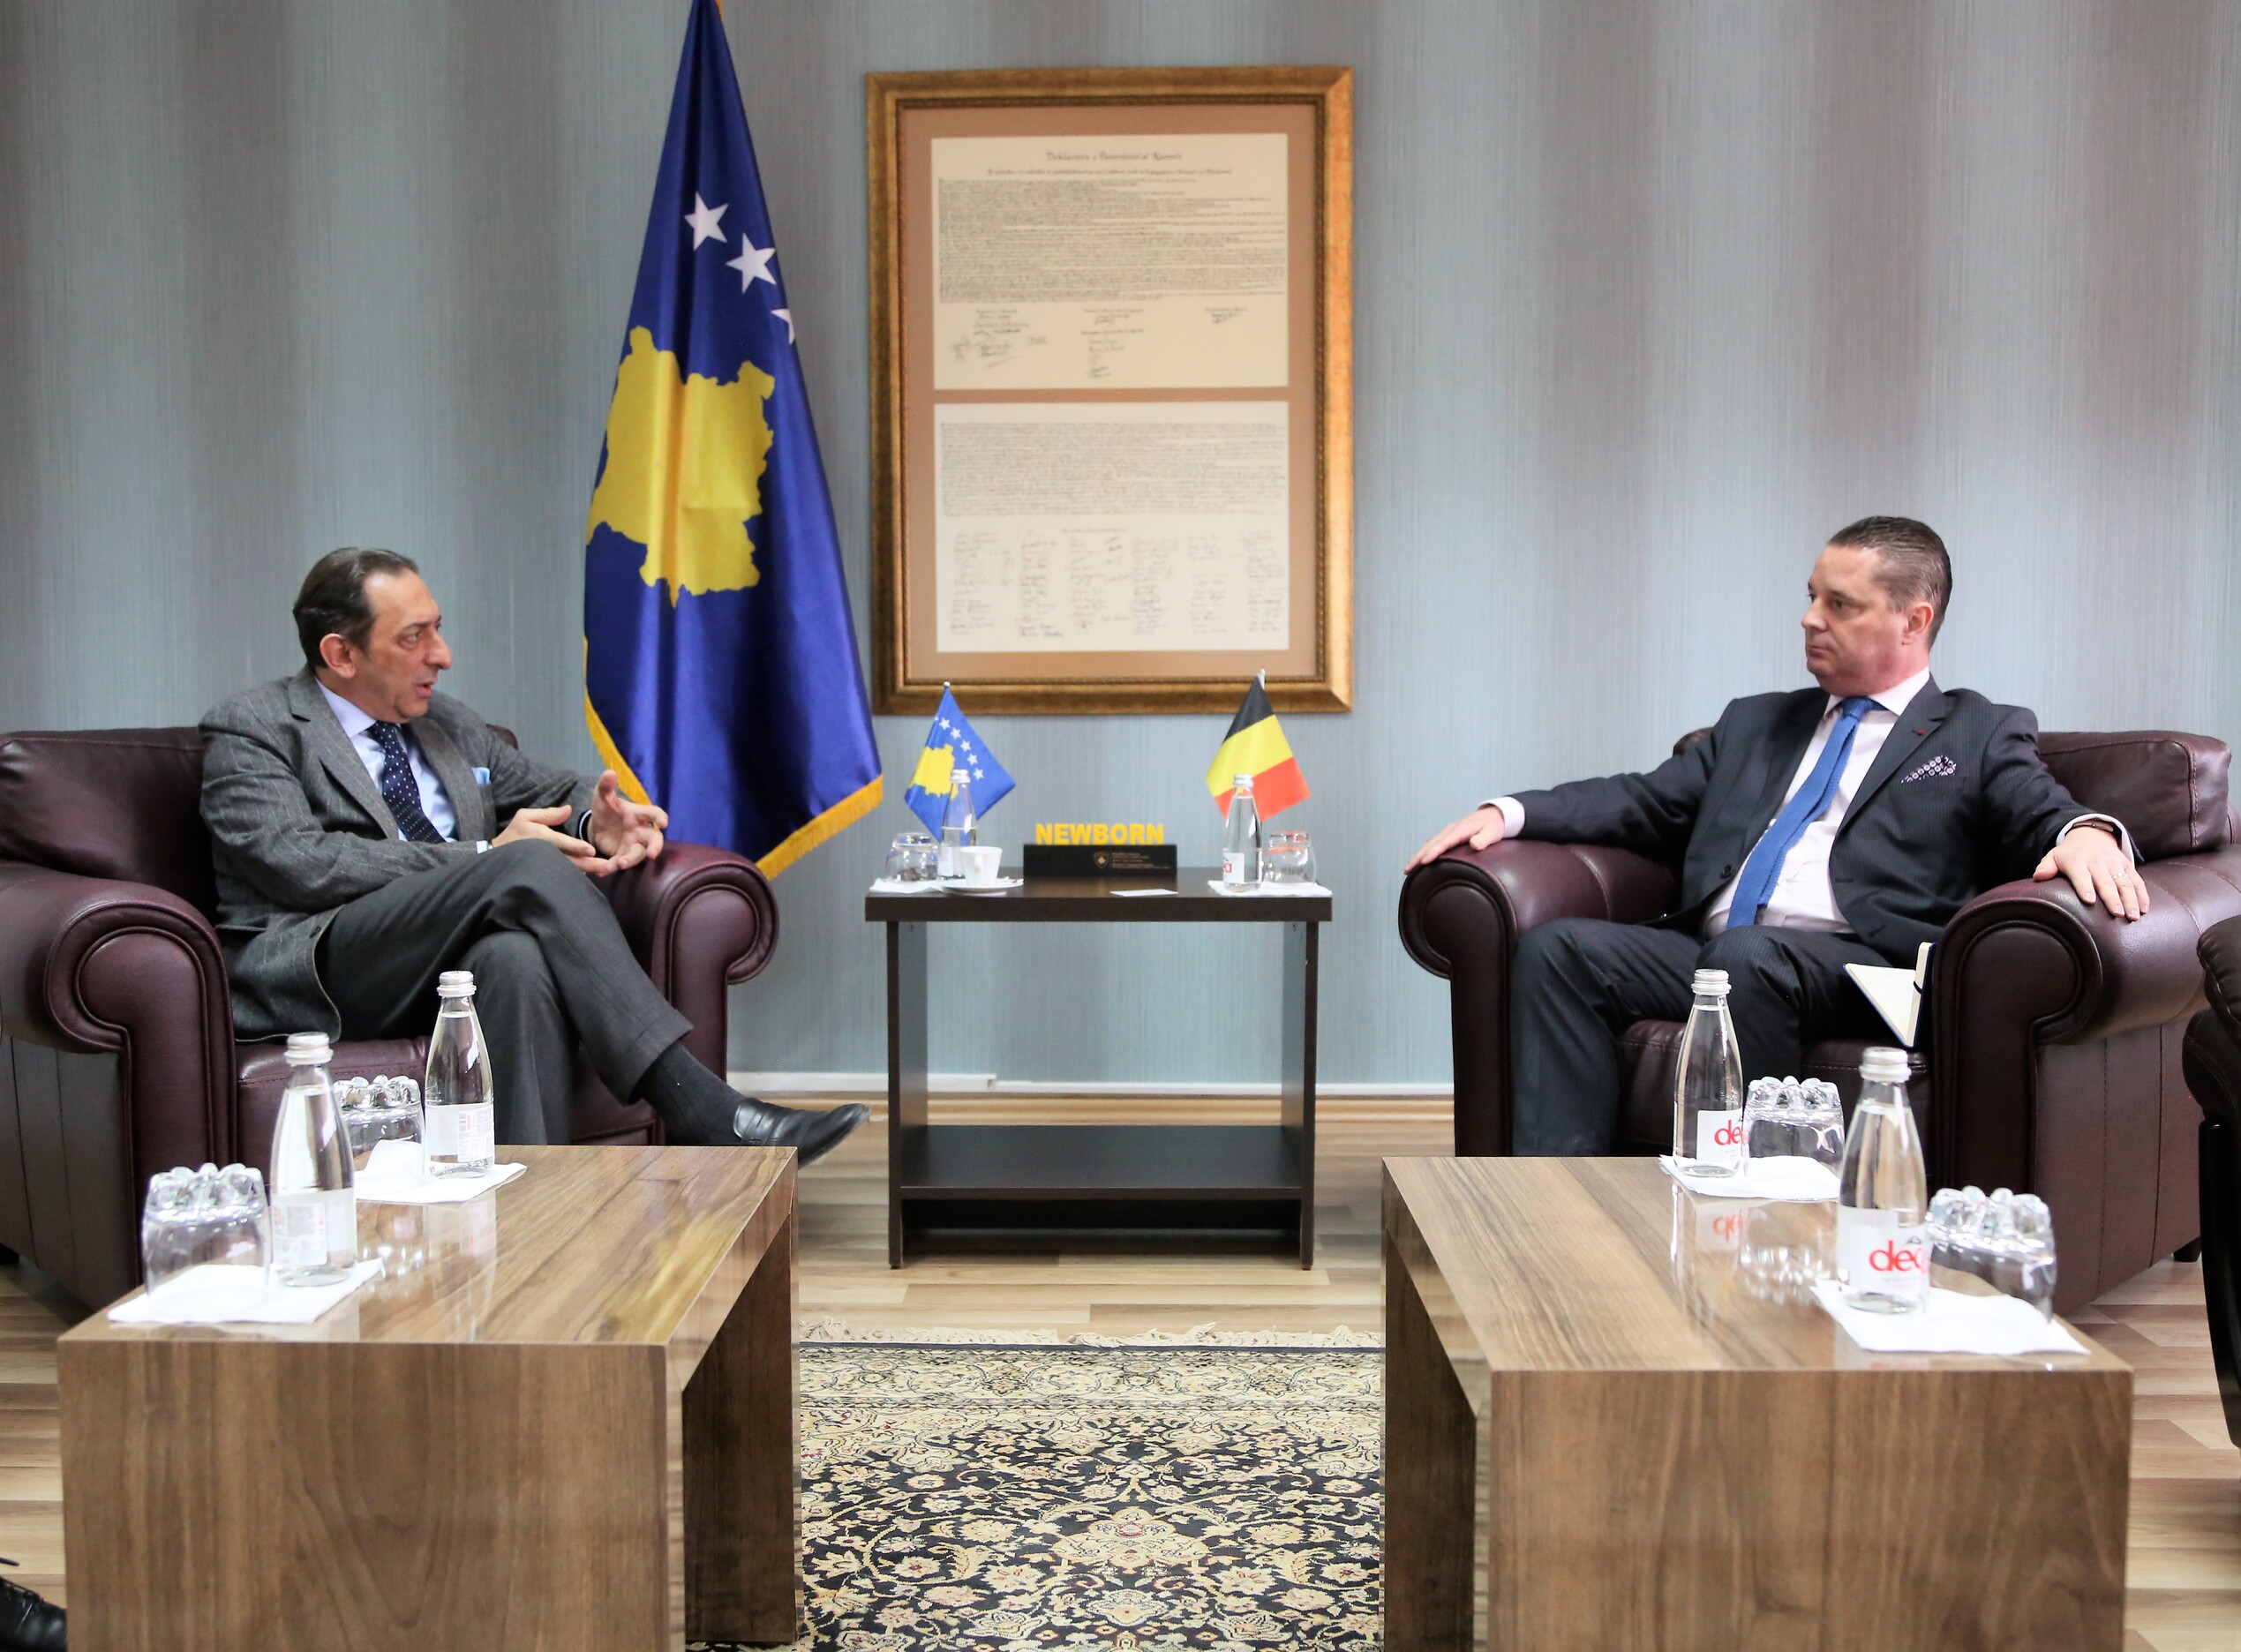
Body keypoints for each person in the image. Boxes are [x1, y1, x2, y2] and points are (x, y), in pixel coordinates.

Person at [1406, 516, 2148, 1155]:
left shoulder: (1975, 730)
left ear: (1912, 621)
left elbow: (2036, 806)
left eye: (1839, 604)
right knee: (1561, 949)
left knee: (1747, 957)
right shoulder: (1757, 722)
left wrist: (2086, 833)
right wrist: (1509, 813)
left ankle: (1751, 1193)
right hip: (1719, 952)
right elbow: (1643, 800)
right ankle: (1560, 1199)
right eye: (1811, 596)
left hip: (1865, 969)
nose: (1809, 619)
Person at [200, 546, 868, 1160]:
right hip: (329, 964)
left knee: (511, 958)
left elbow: (552, 789)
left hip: (446, 966)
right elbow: (298, 862)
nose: (442, 655)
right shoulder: (256, 727)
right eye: (414, 637)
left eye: (437, 629)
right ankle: (696, 1103)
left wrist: (598, 819)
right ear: (341, 654)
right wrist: (483, 856)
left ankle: (531, 1211)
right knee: (524, 864)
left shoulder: (447, 724)